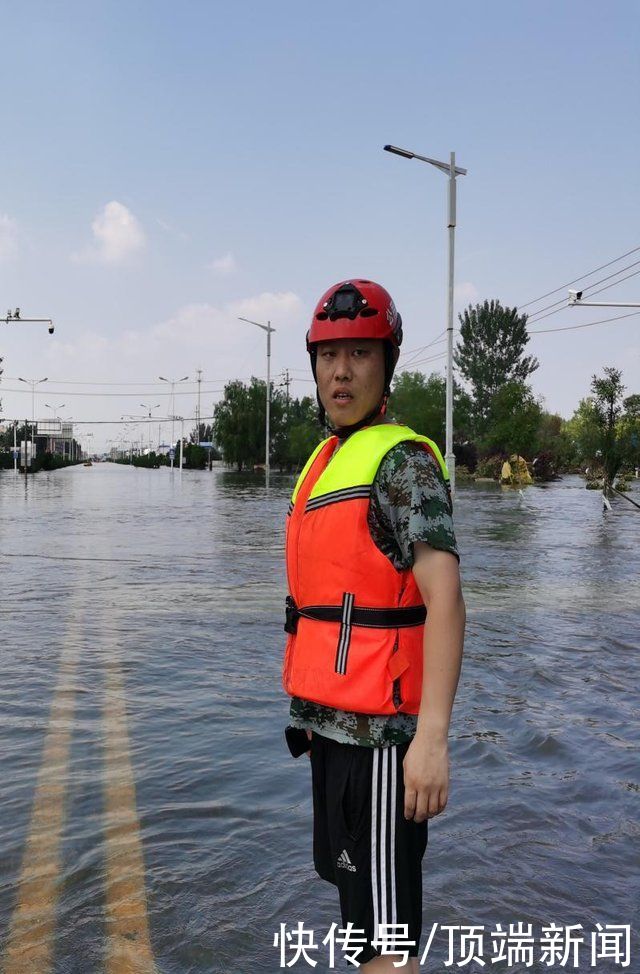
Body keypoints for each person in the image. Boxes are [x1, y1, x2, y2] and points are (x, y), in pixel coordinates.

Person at [283, 279, 466, 971]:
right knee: (363, 927)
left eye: (360, 353)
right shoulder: (324, 463)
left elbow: (444, 599)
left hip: (385, 743)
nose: (341, 370)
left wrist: (432, 741)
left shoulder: (403, 464)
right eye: (329, 355)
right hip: (333, 731)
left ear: (385, 365)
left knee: (386, 942)